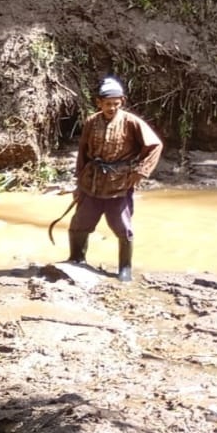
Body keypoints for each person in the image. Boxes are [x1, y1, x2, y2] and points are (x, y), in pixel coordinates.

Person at [68, 77, 163, 282]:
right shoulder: (91, 122)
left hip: (119, 184)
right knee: (80, 223)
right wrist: (78, 184)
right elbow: (83, 153)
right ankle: (76, 259)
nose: (112, 108)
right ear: (99, 103)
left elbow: (155, 145)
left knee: (122, 227)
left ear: (122, 101)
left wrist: (141, 171)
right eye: (108, 103)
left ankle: (125, 268)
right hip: (91, 183)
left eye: (116, 103)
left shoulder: (131, 122)